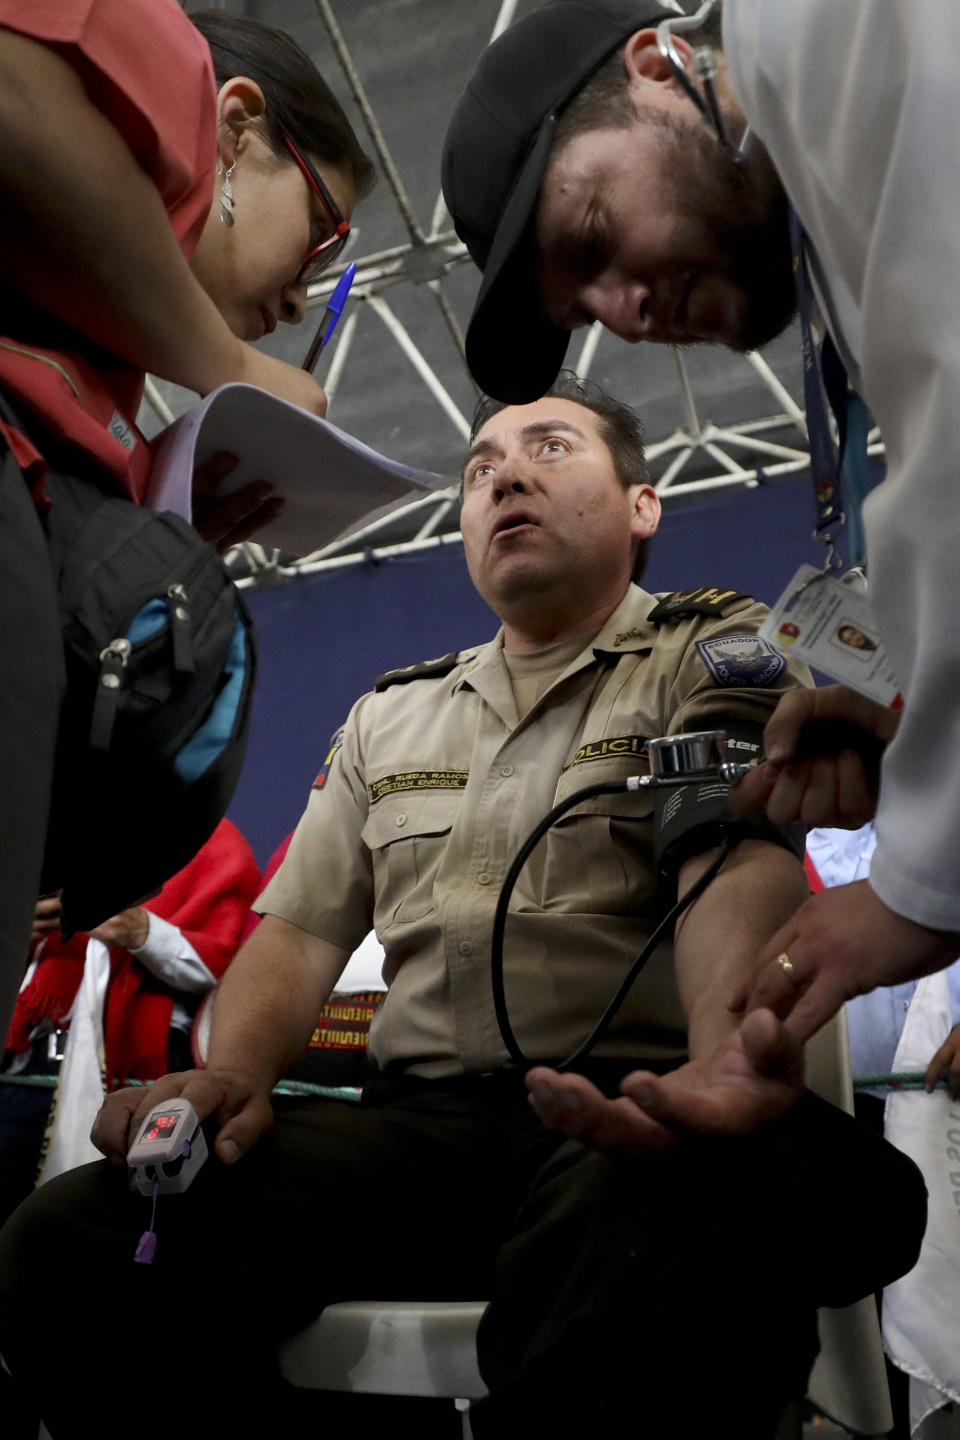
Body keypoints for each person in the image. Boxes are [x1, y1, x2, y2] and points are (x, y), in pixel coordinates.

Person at [0, 377, 925, 1440]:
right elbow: (299, 935)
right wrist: (231, 1079)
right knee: (68, 1246)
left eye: (550, 448)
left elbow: (727, 852)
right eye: (481, 468)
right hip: (419, 1139)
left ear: (642, 506)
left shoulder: (712, 648)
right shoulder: (389, 718)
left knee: (655, 1215)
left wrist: (717, 1066)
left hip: (639, 1101)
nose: (505, 478)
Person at [440, 0, 960, 1043]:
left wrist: (920, 884)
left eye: (590, 235)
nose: (624, 312)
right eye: (587, 307)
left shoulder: (818, 32)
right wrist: (897, 676)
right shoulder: (832, 257)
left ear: (658, 62)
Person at [0, 0, 375, 1039]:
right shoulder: (163, 51)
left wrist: (146, 528)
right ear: (238, 127)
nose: (302, 304)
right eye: (323, 236)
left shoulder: (90, 344)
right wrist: (227, 367)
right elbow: (16, 87)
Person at [0, 819, 261, 1227]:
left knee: (109, 1222)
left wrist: (144, 932)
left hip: (138, 1073)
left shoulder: (206, 834)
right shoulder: (51, 831)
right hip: (26, 1068)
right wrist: (16, 927)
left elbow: (228, 970)